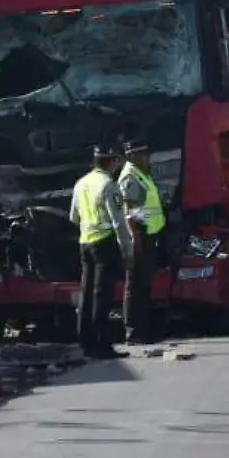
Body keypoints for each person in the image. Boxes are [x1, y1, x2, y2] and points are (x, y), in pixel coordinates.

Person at [70, 144, 127, 359]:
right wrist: (127, 250)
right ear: (111, 162)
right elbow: (119, 222)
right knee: (102, 295)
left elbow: (73, 217)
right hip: (105, 243)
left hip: (85, 243)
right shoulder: (109, 186)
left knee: (86, 293)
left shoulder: (80, 183)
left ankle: (86, 341)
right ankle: (102, 345)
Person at [117, 140, 166, 345]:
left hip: (146, 235)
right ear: (133, 156)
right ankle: (134, 331)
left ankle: (142, 330)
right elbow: (129, 213)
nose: (147, 157)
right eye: (143, 154)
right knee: (135, 287)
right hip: (139, 237)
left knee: (143, 286)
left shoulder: (141, 173)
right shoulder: (131, 177)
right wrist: (135, 239)